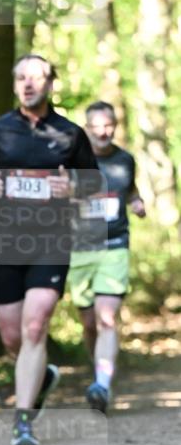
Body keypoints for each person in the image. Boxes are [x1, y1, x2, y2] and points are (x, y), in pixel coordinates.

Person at [0, 54, 98, 445]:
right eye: (21, 78)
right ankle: (42, 378)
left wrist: (71, 186)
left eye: (36, 77)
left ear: (50, 83)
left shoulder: (70, 133)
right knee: (13, 338)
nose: (28, 84)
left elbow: (93, 184)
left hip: (51, 242)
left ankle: (23, 421)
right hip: (6, 244)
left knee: (34, 326)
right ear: (15, 85)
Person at [68, 101, 146, 413]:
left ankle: (102, 385)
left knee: (107, 317)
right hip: (80, 248)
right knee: (89, 323)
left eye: (108, 125)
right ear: (87, 129)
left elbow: (131, 190)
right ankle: (98, 369)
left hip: (115, 245)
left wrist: (137, 202)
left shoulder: (125, 160)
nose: (103, 131)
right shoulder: (73, 161)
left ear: (115, 126)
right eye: (96, 126)